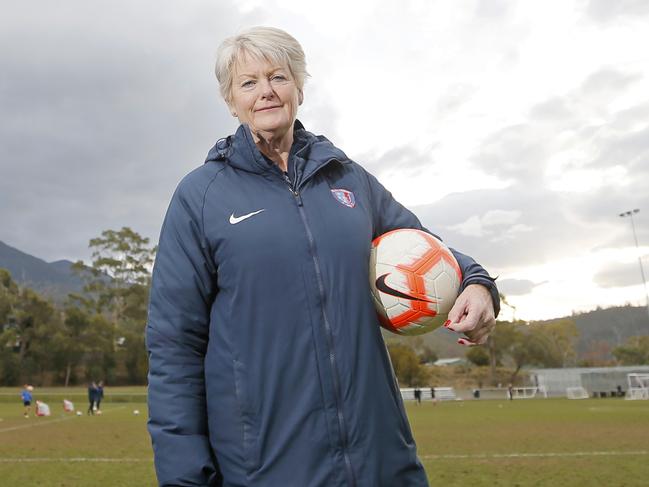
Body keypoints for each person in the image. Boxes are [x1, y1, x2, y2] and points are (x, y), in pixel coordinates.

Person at [146, 26, 499, 487]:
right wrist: (186, 479)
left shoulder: (347, 178)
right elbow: (174, 346)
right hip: (267, 468)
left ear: (299, 87)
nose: (266, 92)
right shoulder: (201, 195)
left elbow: (427, 248)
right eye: (248, 82)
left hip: (382, 461)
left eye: (278, 77)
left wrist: (476, 281)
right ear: (231, 101)